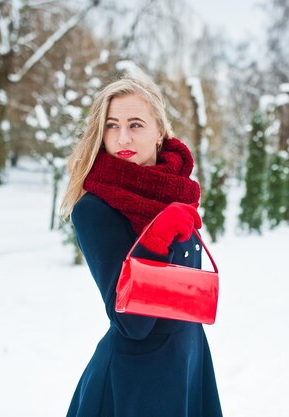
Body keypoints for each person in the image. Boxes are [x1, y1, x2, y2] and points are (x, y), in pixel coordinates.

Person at [59, 69, 223, 417]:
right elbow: (132, 324)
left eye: (135, 124)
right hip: (136, 383)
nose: (122, 138)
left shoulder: (176, 192)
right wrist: (157, 237)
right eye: (111, 125)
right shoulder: (94, 209)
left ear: (160, 132)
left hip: (187, 362)